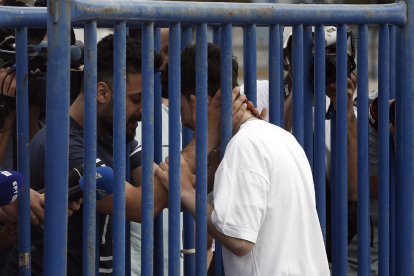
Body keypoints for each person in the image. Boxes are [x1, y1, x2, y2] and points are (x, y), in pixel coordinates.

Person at [157, 43, 329, 275]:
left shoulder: (245, 146)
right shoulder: (280, 137)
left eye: (181, 108)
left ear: (199, 101)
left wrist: (186, 192)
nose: (183, 121)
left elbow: (239, 240)